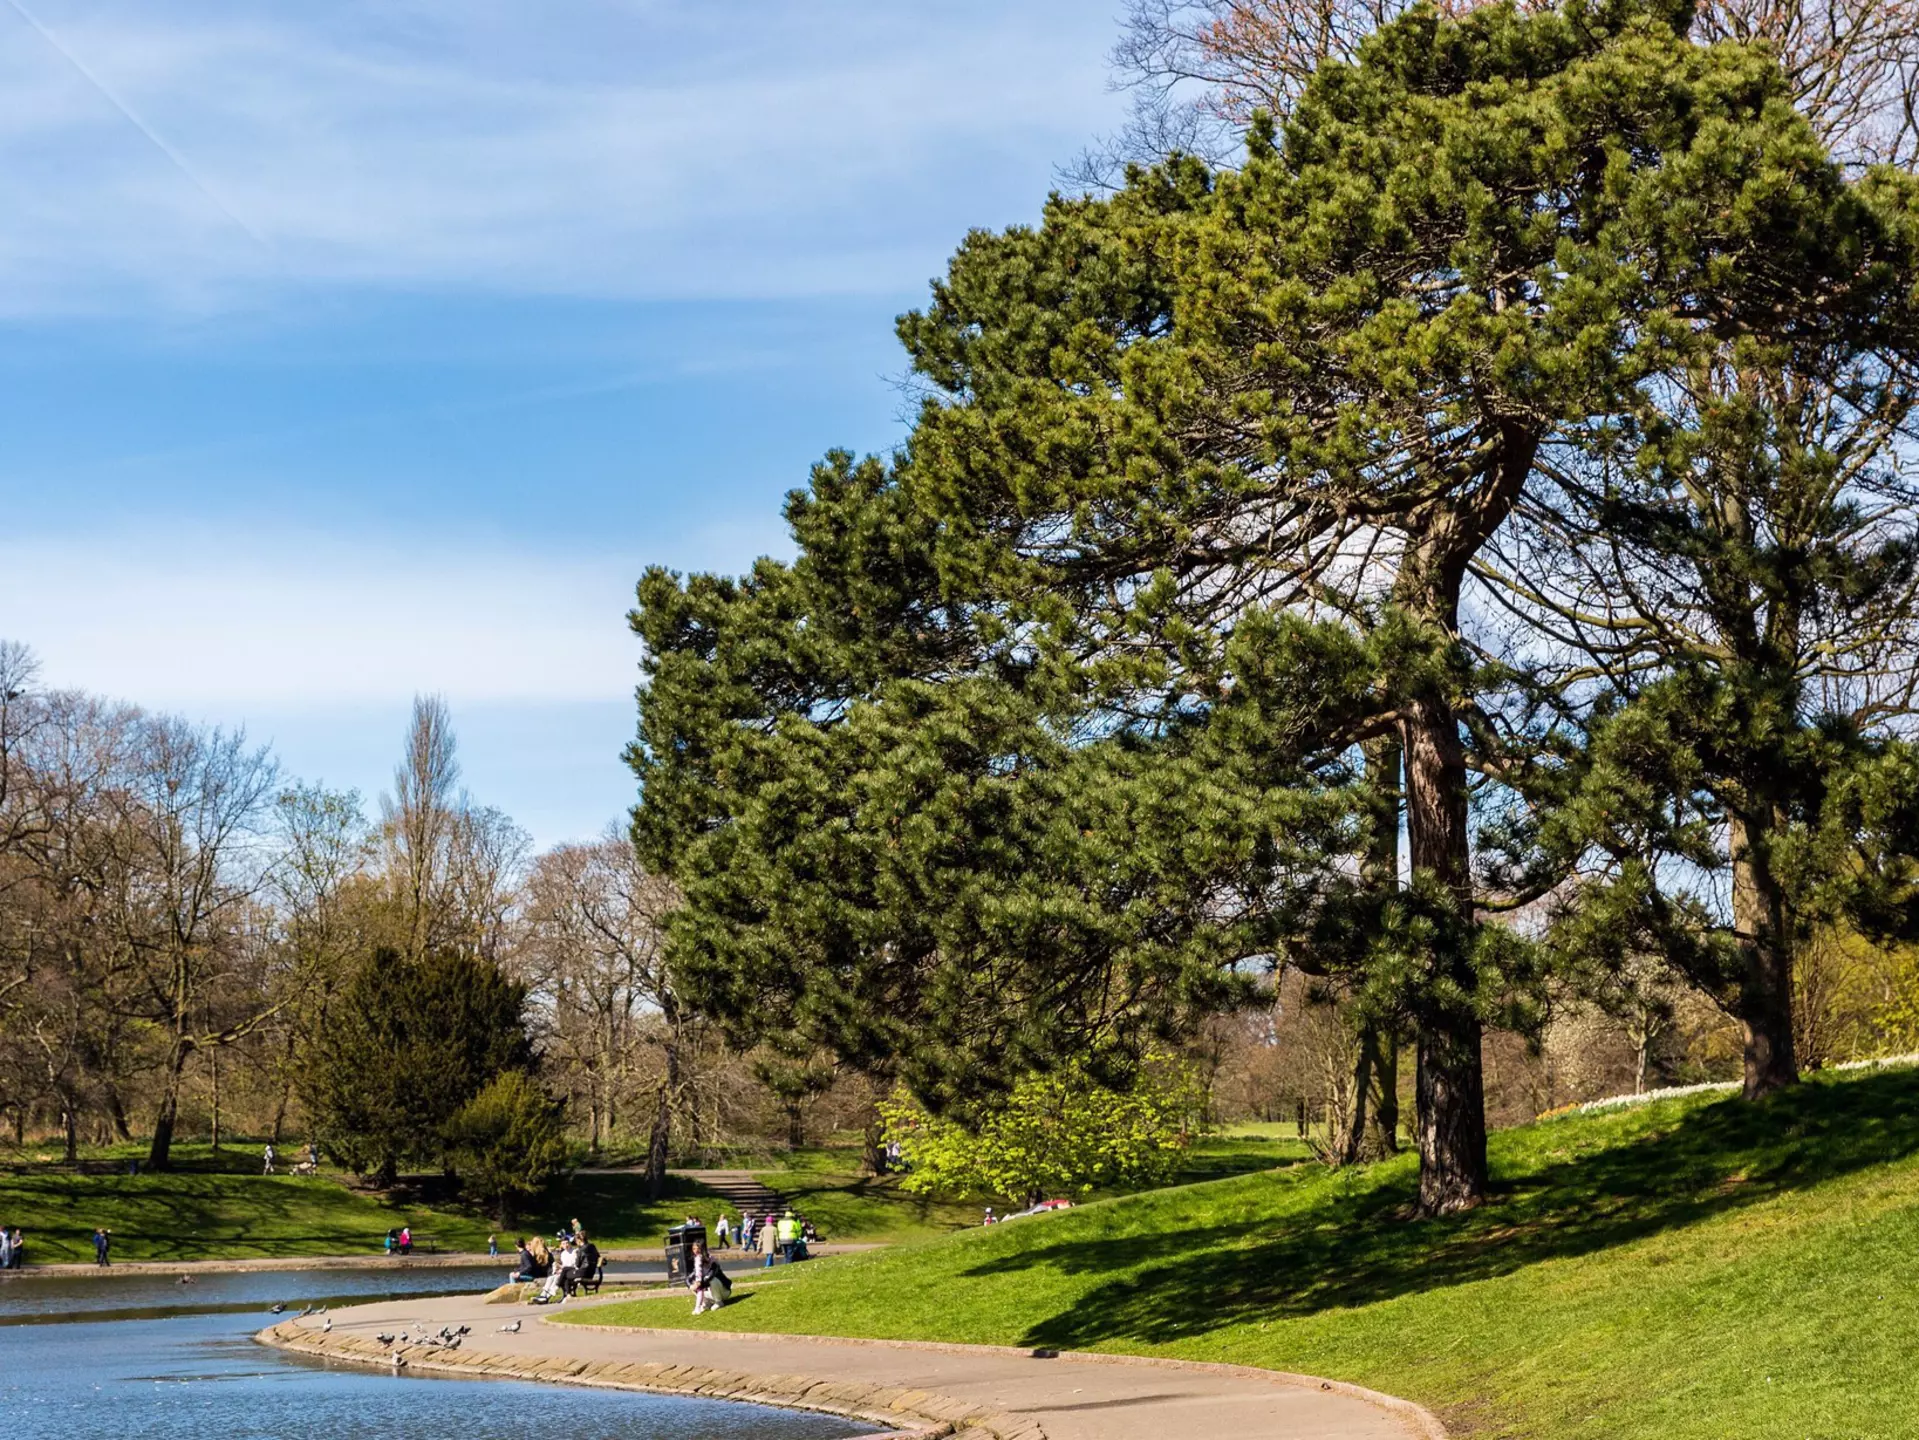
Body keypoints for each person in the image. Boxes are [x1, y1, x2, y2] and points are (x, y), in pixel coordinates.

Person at [688, 1239, 729, 1314]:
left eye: (698, 1248)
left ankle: (719, 1302)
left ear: (702, 1249)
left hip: (723, 1291)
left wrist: (700, 1282)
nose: (696, 1251)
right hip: (710, 1291)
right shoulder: (697, 1259)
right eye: (694, 1248)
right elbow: (694, 1275)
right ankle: (706, 1303)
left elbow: (710, 1275)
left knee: (711, 1280)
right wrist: (693, 1284)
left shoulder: (710, 1260)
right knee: (694, 1285)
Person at [556, 1235, 580, 1300]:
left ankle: (558, 1285)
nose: (566, 1245)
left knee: (565, 1270)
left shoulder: (574, 1251)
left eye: (567, 1243)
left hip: (574, 1269)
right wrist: (560, 1269)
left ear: (569, 1243)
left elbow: (575, 1264)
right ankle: (568, 1294)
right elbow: (564, 1265)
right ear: (561, 1245)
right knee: (565, 1276)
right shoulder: (563, 1254)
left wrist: (563, 1269)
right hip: (566, 1271)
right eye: (564, 1244)